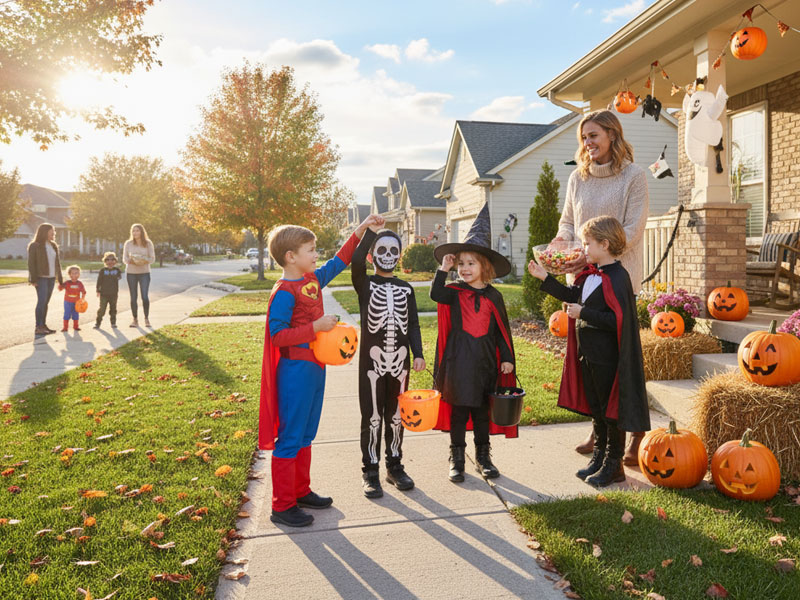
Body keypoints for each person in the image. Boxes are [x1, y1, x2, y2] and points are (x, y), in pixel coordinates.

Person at [259, 214, 379, 527]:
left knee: (306, 433)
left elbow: (339, 261)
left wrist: (361, 229)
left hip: (315, 368)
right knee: (291, 436)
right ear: (291, 257)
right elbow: (278, 335)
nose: (316, 255)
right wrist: (315, 327)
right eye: (311, 250)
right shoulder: (284, 291)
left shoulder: (311, 280)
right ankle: (282, 505)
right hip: (295, 371)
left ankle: (300, 491)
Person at [554, 109, 650, 463]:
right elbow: (567, 223)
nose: (588, 143)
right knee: (593, 363)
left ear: (612, 134)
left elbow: (633, 229)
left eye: (593, 135)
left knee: (622, 363)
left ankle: (637, 432)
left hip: (618, 279)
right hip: (582, 282)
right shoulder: (577, 179)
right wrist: (559, 245)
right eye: (584, 137)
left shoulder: (634, 176)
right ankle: (600, 429)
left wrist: (593, 257)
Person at [528, 215, 650, 487]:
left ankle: (614, 464)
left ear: (604, 244)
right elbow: (571, 295)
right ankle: (599, 457)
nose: (583, 249)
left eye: (588, 243)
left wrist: (585, 313)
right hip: (588, 354)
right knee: (596, 409)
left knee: (610, 411)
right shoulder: (589, 275)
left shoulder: (619, 277)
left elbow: (616, 320)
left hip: (607, 357)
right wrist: (545, 277)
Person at [430, 204, 517, 483]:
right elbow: (435, 294)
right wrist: (443, 269)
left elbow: (502, 333)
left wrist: (506, 357)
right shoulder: (453, 293)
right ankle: (457, 458)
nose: (465, 269)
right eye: (461, 263)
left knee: (481, 411)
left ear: (485, 267)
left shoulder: (494, 297)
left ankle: (483, 457)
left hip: (484, 364)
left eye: (471, 263)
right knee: (458, 412)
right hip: (457, 362)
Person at [351, 224, 425, 499]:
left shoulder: (406, 289)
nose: (388, 254)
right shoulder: (366, 284)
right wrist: (370, 231)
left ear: (399, 257)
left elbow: (414, 324)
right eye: (381, 250)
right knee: (371, 416)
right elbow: (356, 260)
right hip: (371, 362)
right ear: (372, 256)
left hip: (401, 362)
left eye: (394, 250)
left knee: (396, 417)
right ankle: (370, 471)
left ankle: (394, 467)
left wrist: (418, 353)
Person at [27, 223, 63, 336]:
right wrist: (33, 279)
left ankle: (43, 325)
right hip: (41, 278)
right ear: (45, 232)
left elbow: (58, 263)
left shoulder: (53, 245)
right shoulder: (35, 245)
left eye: (54, 231)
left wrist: (60, 279)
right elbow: (31, 263)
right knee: (41, 301)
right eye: (52, 231)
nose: (54, 233)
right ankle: (38, 326)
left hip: (51, 278)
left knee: (45, 303)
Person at [123, 223, 155, 328]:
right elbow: (125, 259)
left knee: (144, 297)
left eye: (137, 230)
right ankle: (135, 319)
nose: (135, 233)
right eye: (133, 231)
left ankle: (146, 319)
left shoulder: (148, 243)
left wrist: (142, 260)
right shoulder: (128, 243)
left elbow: (152, 258)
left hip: (144, 273)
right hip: (131, 273)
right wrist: (131, 261)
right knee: (133, 297)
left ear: (141, 232)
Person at [94, 251, 122, 329]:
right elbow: (99, 281)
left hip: (113, 293)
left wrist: (118, 275)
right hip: (104, 293)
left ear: (115, 261)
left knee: (113, 309)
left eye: (112, 259)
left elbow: (119, 276)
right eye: (108, 260)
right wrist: (98, 290)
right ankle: (98, 322)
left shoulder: (117, 270)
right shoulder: (103, 271)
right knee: (102, 309)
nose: (110, 261)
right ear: (105, 261)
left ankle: (113, 323)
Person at [59, 265, 87, 332]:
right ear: (69, 274)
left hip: (76, 302)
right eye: (73, 273)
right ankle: (65, 327)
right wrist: (60, 284)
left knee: (75, 314)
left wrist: (82, 299)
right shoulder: (67, 283)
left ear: (79, 274)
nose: (74, 274)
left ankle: (76, 326)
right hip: (67, 302)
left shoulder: (79, 283)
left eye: (76, 273)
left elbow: (83, 292)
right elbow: (60, 288)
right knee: (67, 314)